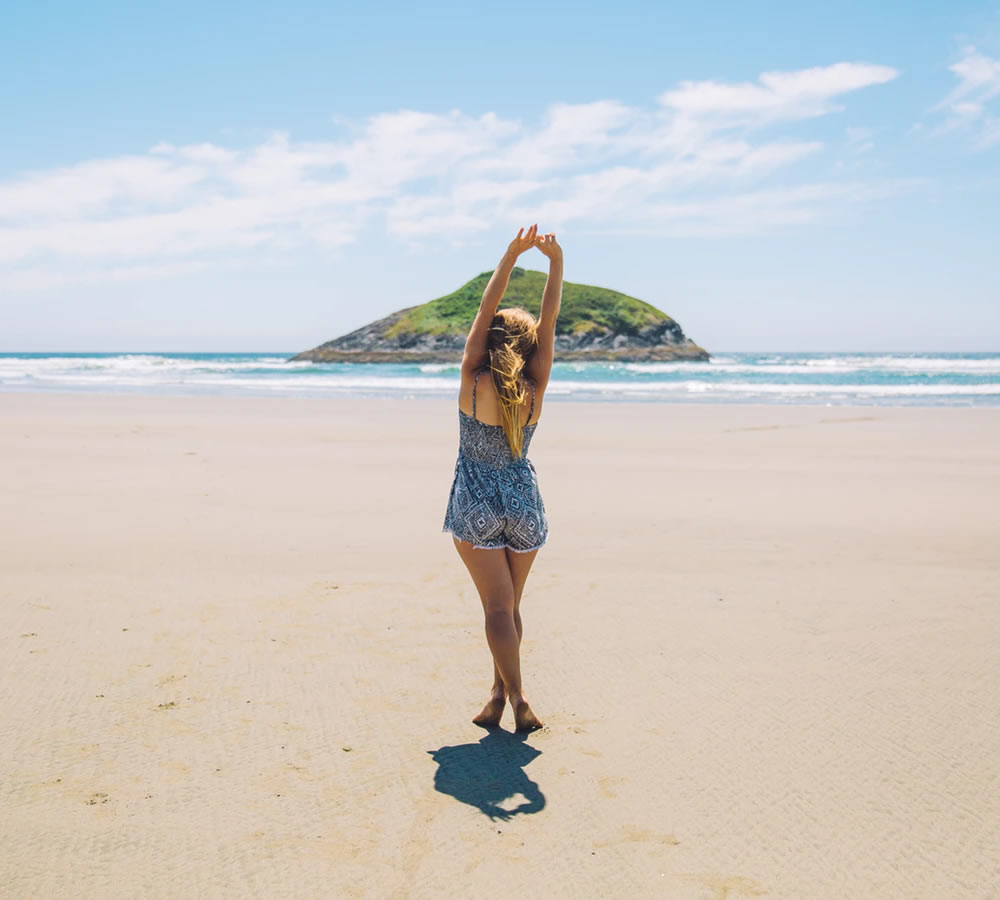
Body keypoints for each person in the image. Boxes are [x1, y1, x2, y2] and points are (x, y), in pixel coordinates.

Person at [442, 223, 563, 732]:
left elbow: (481, 315)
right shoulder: (535, 384)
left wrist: (510, 257)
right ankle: (497, 695)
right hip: (523, 501)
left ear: (489, 341)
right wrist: (556, 264)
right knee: (510, 609)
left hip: (477, 500)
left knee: (496, 608)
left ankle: (517, 699)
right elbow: (550, 321)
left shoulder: (473, 377)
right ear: (530, 346)